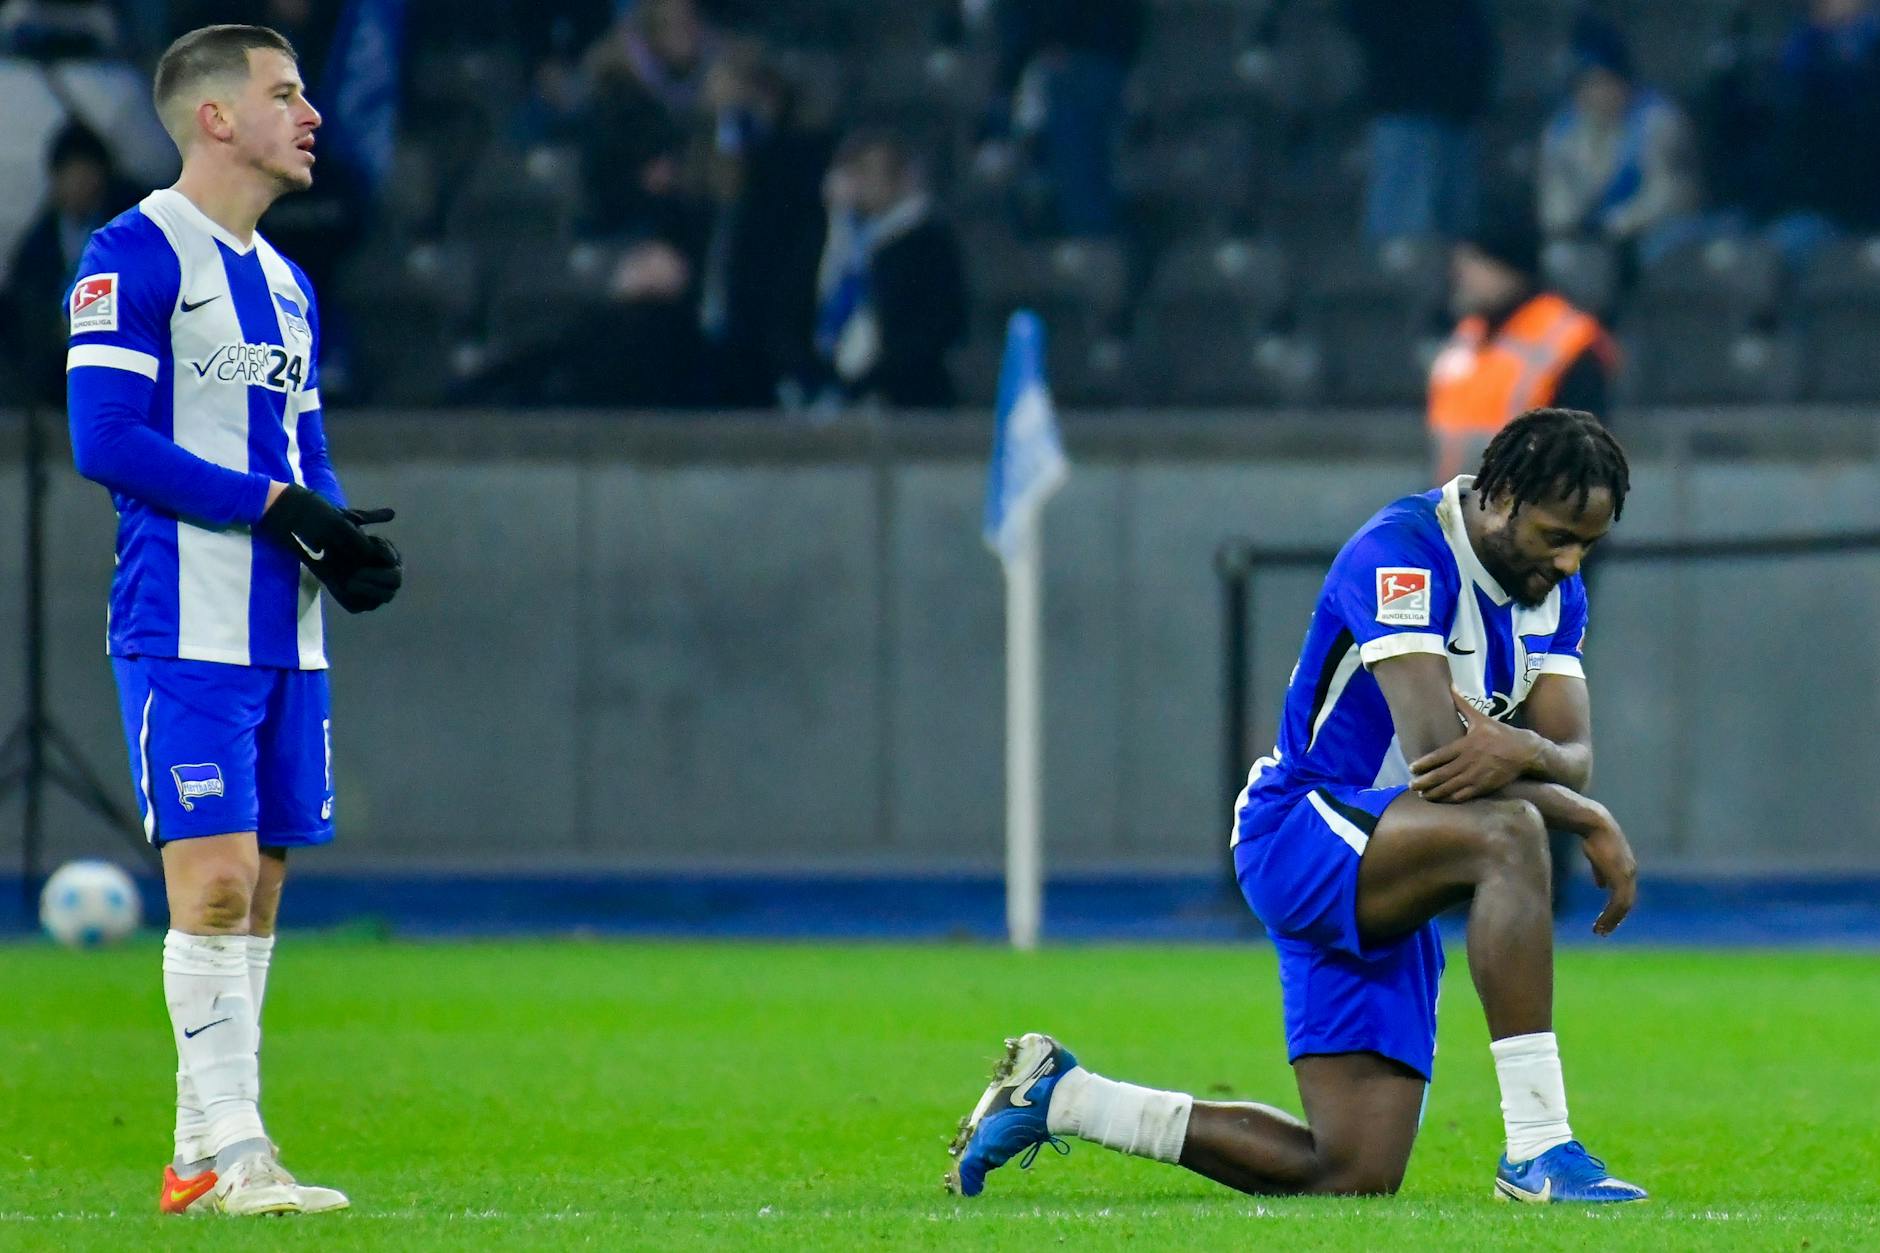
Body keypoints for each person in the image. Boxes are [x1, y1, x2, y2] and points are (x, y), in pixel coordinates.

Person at [947, 408, 1645, 1205]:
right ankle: (1539, 1145)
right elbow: (1436, 758)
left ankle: (1061, 1095)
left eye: (1586, 543)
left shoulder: (1554, 592)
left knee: (1352, 1171)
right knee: (1510, 833)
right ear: (1503, 494)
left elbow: (1572, 753)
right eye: (1557, 535)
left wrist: (1533, 756)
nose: (1568, 560)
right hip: (1302, 829)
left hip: (1391, 857)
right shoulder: (1405, 555)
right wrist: (1578, 811)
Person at [64, 23, 402, 1217]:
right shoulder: (133, 252)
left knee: (252, 891)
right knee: (208, 886)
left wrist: (342, 540)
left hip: (284, 635)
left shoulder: (287, 281)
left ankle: (196, 1153)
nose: (312, 113)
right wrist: (275, 504)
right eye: (285, 92)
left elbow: (302, 452)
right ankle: (238, 1152)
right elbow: (104, 440)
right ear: (215, 117)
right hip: (182, 624)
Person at [1428, 198, 1617, 483]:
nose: (1460, 274)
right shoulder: (1467, 336)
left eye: (1474, 261)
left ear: (1509, 270)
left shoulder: (1569, 342)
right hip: (1460, 517)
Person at [813, 128, 967, 409]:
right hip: (834, 391)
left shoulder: (928, 242)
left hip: (909, 395)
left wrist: (878, 372)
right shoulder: (836, 241)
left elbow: (941, 322)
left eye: (873, 171)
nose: (864, 183)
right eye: (856, 172)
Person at [1539, 18, 1699, 265]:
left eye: (1606, 82)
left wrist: (1619, 223)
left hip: (1650, 236)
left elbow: (1671, 195)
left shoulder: (1656, 120)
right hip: (1592, 241)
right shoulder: (1562, 131)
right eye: (1589, 84)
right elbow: (1555, 199)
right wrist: (1569, 225)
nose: (1600, 93)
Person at [3, 122, 139, 404]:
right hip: (57, 364)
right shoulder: (39, 245)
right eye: (69, 174)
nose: (79, 183)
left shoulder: (129, 227)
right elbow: (26, 300)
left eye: (87, 172)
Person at [1342, 0, 1496, 243]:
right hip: (1403, 104)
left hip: (1458, 108)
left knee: (1457, 235)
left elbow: (1477, 29)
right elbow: (1360, 18)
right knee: (1402, 234)